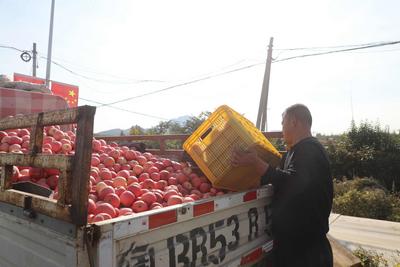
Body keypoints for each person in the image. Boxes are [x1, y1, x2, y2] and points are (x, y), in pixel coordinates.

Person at [232, 104, 333, 267]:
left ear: (294, 121)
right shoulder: (295, 151)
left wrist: (256, 162)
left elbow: (293, 183)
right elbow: (278, 178)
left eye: (282, 122)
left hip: (306, 251)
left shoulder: (310, 149)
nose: (281, 128)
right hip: (295, 246)